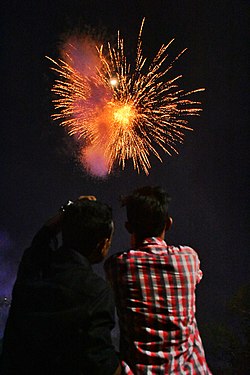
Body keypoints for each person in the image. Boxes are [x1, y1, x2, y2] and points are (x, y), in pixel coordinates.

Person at [0, 196, 121, 375]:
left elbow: (43, 237)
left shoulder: (33, 267)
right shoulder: (97, 292)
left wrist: (68, 211)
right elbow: (101, 363)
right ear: (102, 245)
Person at [105, 186, 212, 374]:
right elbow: (195, 278)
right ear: (168, 223)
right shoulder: (188, 258)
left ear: (129, 227)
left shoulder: (117, 266)